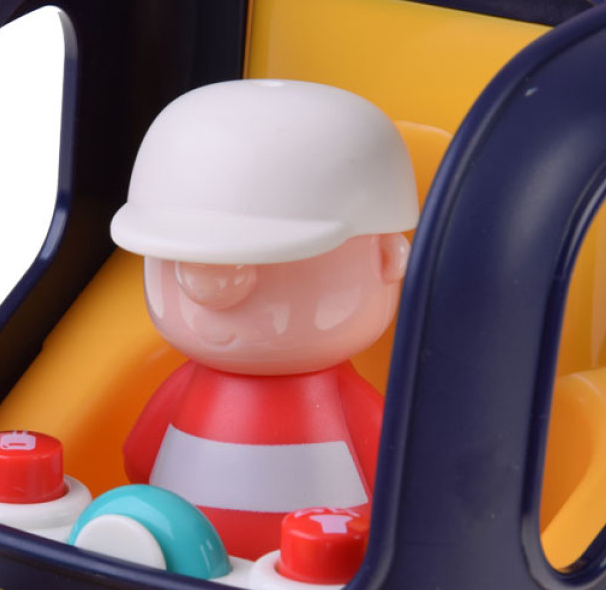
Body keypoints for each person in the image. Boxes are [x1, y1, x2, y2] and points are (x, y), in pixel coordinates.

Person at [111, 78, 418, 561]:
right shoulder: (189, 384)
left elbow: (401, 485)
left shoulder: (341, 400)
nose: (209, 289)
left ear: (389, 257)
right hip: (181, 555)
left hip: (320, 567)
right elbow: (138, 456)